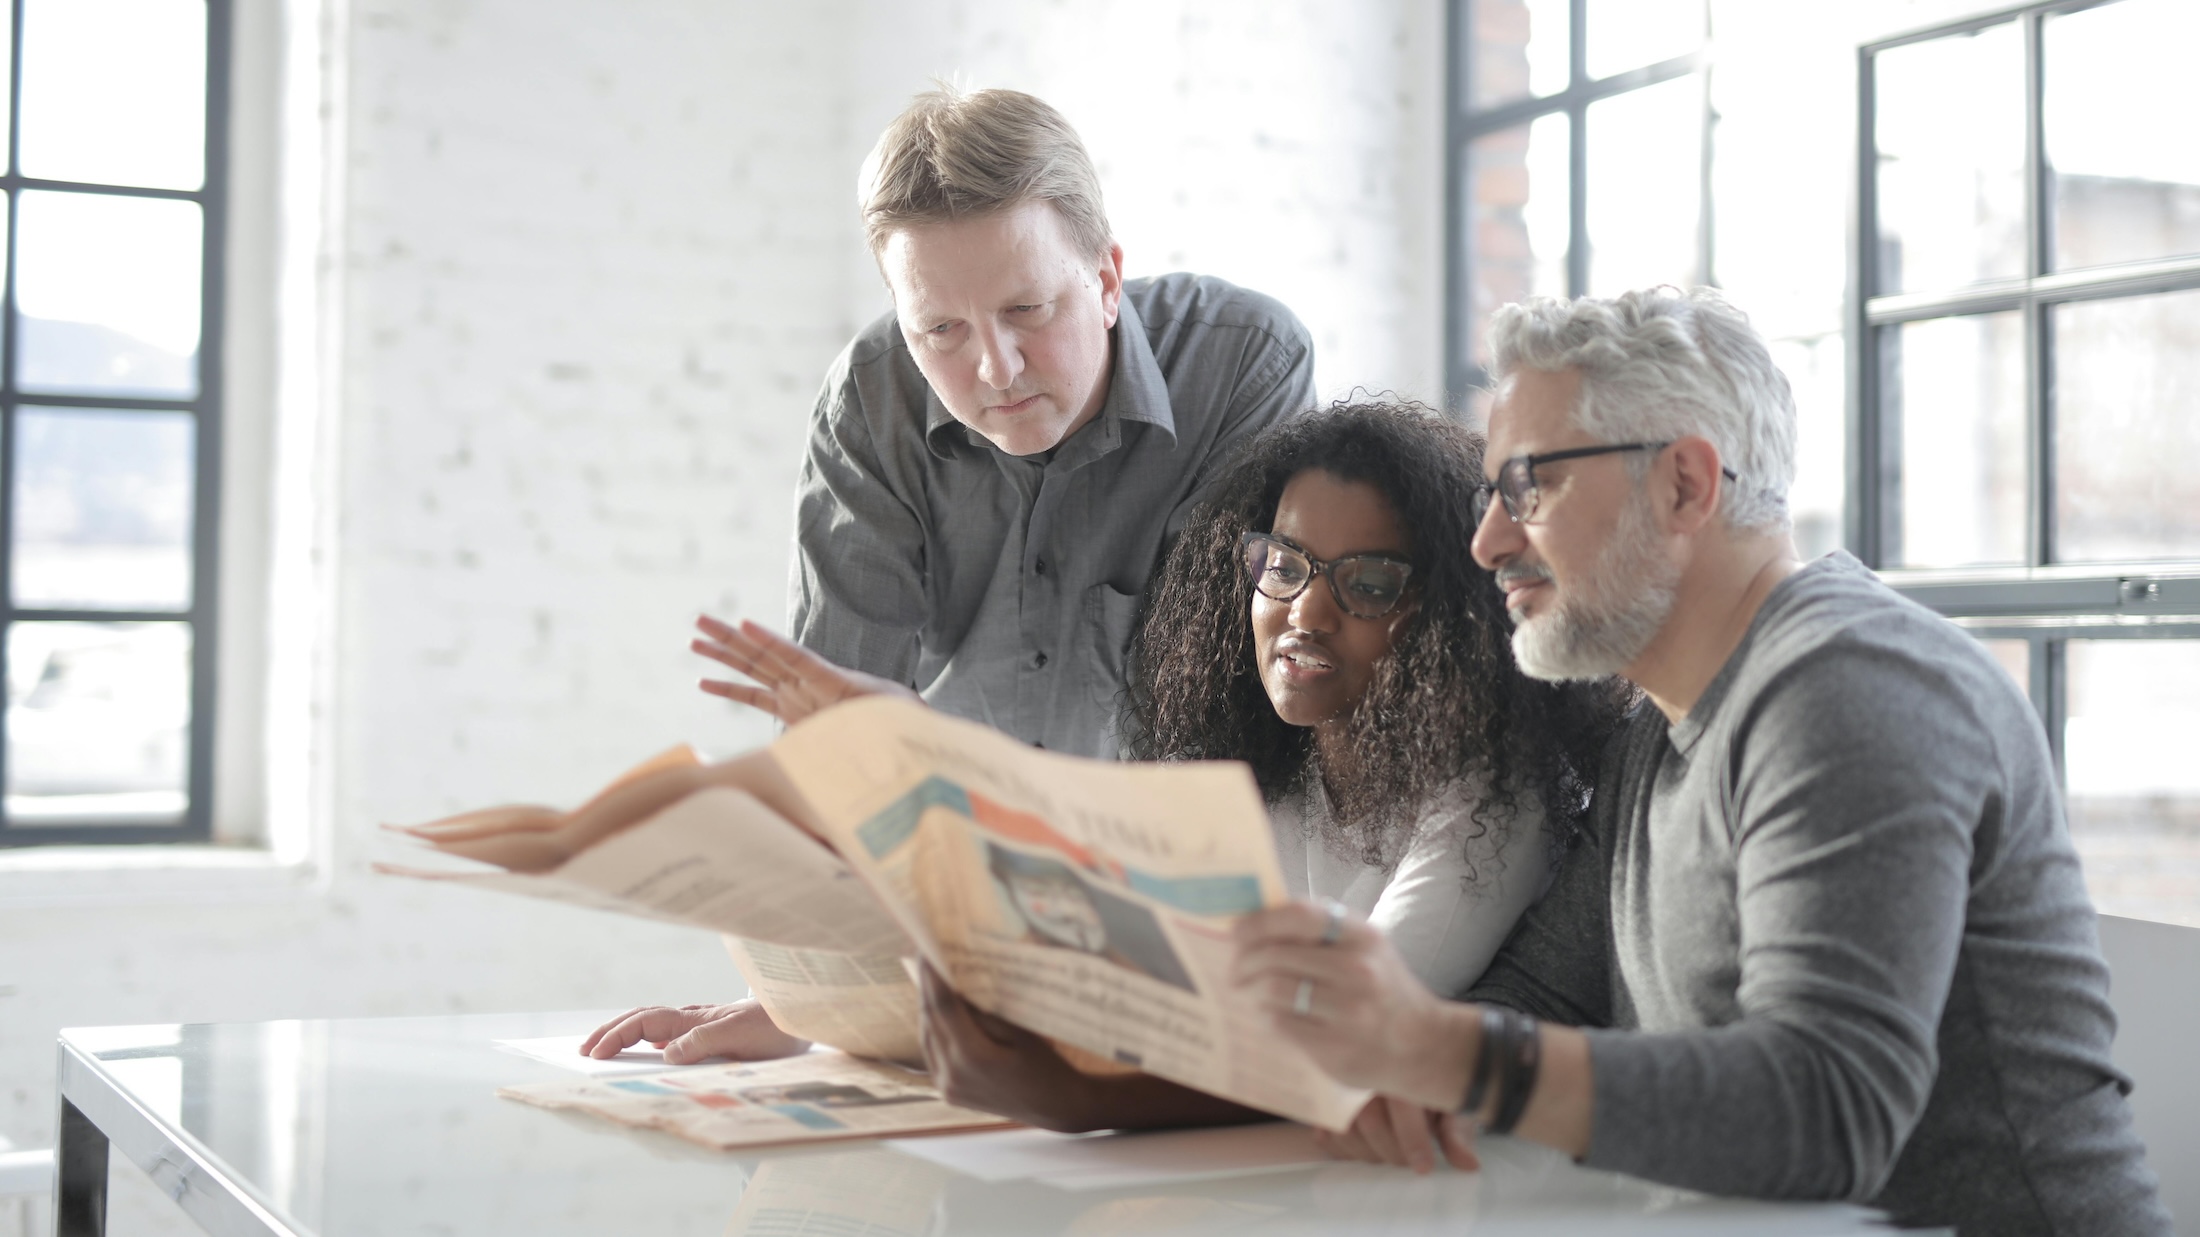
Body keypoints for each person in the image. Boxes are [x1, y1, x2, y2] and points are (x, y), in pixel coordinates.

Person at [1230, 288, 2172, 1234]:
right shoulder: (1663, 725)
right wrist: (1406, 1068)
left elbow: (1827, 1107)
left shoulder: (1850, 687)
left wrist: (1451, 1056)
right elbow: (1548, 993)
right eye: (1490, 497)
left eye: (1531, 488)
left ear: (1685, 483)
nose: (1488, 543)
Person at [700, 84, 1313, 759]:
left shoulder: (1242, 366)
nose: (995, 368)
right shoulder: (872, 402)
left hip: (1174, 843)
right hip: (948, 834)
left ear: (1107, 282)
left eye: (1026, 310)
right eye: (940, 329)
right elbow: (832, 747)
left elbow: (1233, 713)